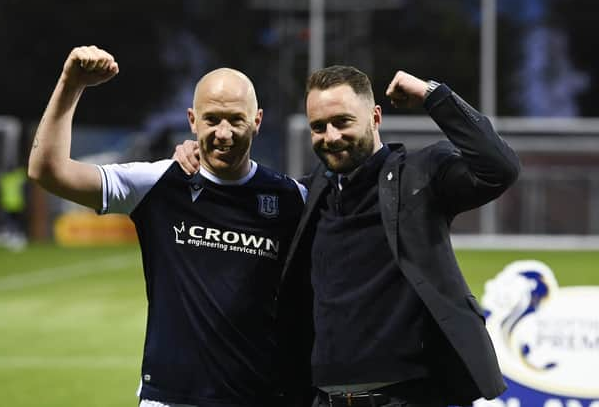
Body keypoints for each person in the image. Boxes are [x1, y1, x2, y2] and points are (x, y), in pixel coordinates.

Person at [175, 66, 520, 407]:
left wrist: (433, 95)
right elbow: (235, 199)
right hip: (325, 399)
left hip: (409, 398)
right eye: (318, 127)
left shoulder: (420, 176)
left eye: (343, 122)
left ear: (375, 117)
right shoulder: (306, 196)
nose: (331, 136)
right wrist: (196, 160)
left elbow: (498, 169)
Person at [28, 45, 308, 407]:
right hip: (170, 400)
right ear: (192, 120)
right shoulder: (158, 184)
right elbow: (46, 171)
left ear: (257, 120)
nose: (223, 133)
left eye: (236, 119)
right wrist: (71, 84)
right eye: (212, 119)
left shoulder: (291, 198)